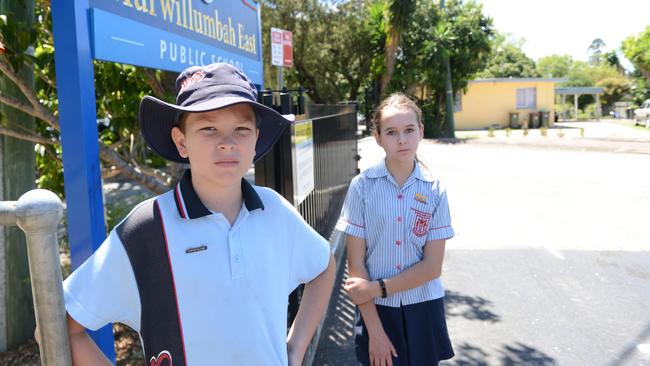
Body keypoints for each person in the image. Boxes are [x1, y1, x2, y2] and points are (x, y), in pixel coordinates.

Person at [48, 63, 336, 365]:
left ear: (255, 140)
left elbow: (323, 265)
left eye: (241, 129)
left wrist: (295, 349)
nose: (227, 142)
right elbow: (60, 325)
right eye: (208, 128)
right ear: (181, 141)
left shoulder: (274, 210)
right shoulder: (146, 229)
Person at [336, 93, 455, 366]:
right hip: (377, 314)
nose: (402, 140)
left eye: (409, 130)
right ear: (378, 137)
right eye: (391, 132)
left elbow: (432, 267)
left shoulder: (435, 189)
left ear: (421, 132)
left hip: (423, 309)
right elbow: (356, 268)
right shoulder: (362, 187)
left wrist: (377, 288)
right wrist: (376, 333)